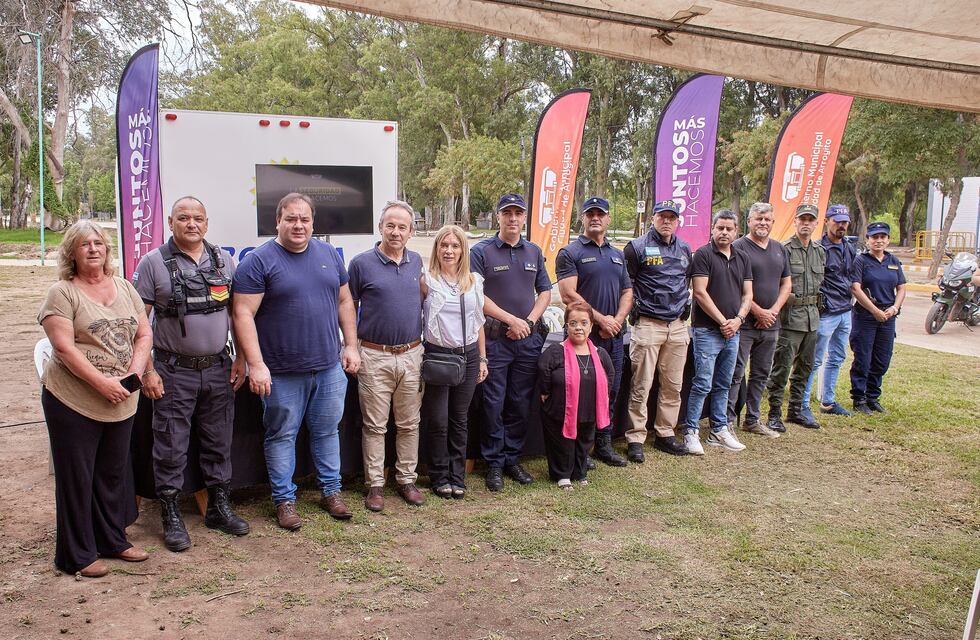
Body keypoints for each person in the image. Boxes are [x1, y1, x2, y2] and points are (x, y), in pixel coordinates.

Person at [233, 192, 360, 529]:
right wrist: (256, 365)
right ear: (278, 221)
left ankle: (331, 492)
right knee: (282, 435)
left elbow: (345, 302)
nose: (298, 225)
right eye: (291, 219)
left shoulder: (329, 254)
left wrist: (351, 345)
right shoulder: (258, 261)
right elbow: (242, 314)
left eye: (305, 219)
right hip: (281, 373)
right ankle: (284, 501)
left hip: (329, 367)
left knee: (327, 431)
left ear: (313, 222)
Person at [133, 197, 249, 552]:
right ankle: (171, 513)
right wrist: (148, 369)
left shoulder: (223, 260)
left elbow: (238, 314)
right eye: (184, 218)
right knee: (170, 445)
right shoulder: (153, 264)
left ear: (207, 223)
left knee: (218, 440)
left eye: (198, 218)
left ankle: (219, 507)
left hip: (217, 368)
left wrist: (242, 357)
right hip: (172, 372)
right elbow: (139, 323)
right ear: (171, 222)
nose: (191, 224)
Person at [38, 220, 153, 577]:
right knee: (77, 478)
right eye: (84, 243)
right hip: (73, 401)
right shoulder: (62, 293)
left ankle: (112, 539)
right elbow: (64, 348)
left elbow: (144, 333)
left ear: (107, 250)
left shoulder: (124, 286)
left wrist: (132, 376)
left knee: (112, 474)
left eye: (99, 243)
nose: (93, 248)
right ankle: (76, 554)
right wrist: (102, 383)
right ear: (72, 252)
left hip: (122, 400)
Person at [470, 193, 552, 491]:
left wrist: (528, 322)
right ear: (499, 216)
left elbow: (544, 292)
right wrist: (511, 321)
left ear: (524, 217)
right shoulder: (482, 251)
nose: (513, 218)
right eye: (508, 213)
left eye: (518, 213)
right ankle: (493, 463)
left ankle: (511, 459)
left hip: (527, 340)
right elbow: (476, 296)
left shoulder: (533, 251)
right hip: (495, 340)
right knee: (493, 401)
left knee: (519, 402)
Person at [348, 201, 426, 512]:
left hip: (411, 355)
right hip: (374, 355)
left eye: (402, 227)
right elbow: (347, 307)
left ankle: (406, 479)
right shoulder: (360, 264)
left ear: (411, 232)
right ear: (380, 227)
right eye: (390, 225)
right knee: (375, 426)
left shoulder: (418, 261)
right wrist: (350, 346)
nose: (395, 232)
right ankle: (375, 485)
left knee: (409, 424)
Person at [556, 196, 632, 467]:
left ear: (609, 218)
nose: (596, 218)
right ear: (583, 218)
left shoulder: (617, 254)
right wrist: (601, 320)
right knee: (580, 395)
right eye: (591, 214)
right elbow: (568, 294)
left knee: (609, 390)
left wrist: (618, 320)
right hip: (583, 338)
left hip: (613, 336)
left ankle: (604, 444)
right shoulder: (571, 252)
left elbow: (627, 291)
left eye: (601, 214)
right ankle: (580, 450)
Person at [421, 225, 489, 499]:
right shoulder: (427, 280)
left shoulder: (474, 281)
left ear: (463, 250)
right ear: (437, 249)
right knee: (438, 420)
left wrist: (482, 357)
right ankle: (439, 476)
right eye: (444, 245)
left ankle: (457, 476)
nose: (449, 250)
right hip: (438, 355)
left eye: (455, 245)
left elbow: (479, 322)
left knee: (459, 419)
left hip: (469, 355)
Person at [622, 200, 693, 462]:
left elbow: (685, 281)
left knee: (673, 385)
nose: (667, 221)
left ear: (677, 221)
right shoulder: (636, 248)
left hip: (676, 326)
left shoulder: (685, 248)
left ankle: (665, 433)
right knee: (641, 385)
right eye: (662, 216)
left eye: (671, 217)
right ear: (652, 218)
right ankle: (635, 437)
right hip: (648, 324)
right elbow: (627, 285)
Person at [683, 210, 753, 454]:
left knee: (724, 383)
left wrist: (738, 320)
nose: (724, 232)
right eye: (720, 227)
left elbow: (748, 294)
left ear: (736, 232)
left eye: (729, 229)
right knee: (702, 383)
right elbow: (700, 292)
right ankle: (691, 432)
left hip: (733, 332)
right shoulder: (703, 255)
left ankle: (718, 429)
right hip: (707, 331)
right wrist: (724, 321)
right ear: (712, 228)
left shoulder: (742, 257)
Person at [726, 203, 791, 438]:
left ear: (773, 222)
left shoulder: (779, 249)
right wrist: (758, 311)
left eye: (767, 219)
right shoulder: (738, 247)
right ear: (749, 221)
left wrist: (772, 311)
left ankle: (752, 419)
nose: (763, 223)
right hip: (744, 324)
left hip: (772, 325)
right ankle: (728, 420)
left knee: (761, 373)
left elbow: (786, 284)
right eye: (758, 219)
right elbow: (733, 284)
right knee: (735, 373)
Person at [538, 302, 614, 488]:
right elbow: (543, 370)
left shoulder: (600, 353)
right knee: (562, 442)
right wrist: (546, 392)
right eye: (573, 323)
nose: (578, 327)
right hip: (559, 410)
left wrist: (603, 396)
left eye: (583, 323)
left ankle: (580, 473)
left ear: (591, 326)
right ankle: (562, 474)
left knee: (584, 442)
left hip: (588, 409)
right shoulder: (556, 351)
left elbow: (609, 375)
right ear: (566, 326)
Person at [765, 204, 826, 432]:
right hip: (790, 318)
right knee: (781, 367)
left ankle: (796, 410)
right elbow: (777, 284)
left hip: (812, 317)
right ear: (796, 222)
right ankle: (774, 413)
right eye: (802, 219)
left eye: (810, 220)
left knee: (806, 367)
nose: (806, 223)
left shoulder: (820, 251)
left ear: (816, 224)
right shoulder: (784, 250)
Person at [804, 204, 857, 416]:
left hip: (845, 310)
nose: (841, 226)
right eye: (837, 221)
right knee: (814, 359)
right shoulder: (818, 249)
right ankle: (803, 403)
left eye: (844, 222)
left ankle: (828, 401)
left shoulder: (849, 247)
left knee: (837, 357)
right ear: (827, 222)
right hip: (826, 312)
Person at [849, 221, 906, 414]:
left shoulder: (893, 261)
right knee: (863, 358)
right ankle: (859, 399)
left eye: (882, 237)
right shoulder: (861, 261)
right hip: (866, 315)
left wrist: (895, 308)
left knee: (882, 358)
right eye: (874, 237)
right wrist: (874, 310)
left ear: (888, 240)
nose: (878, 241)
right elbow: (855, 288)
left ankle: (873, 397)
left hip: (888, 316)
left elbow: (901, 287)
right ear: (868, 240)